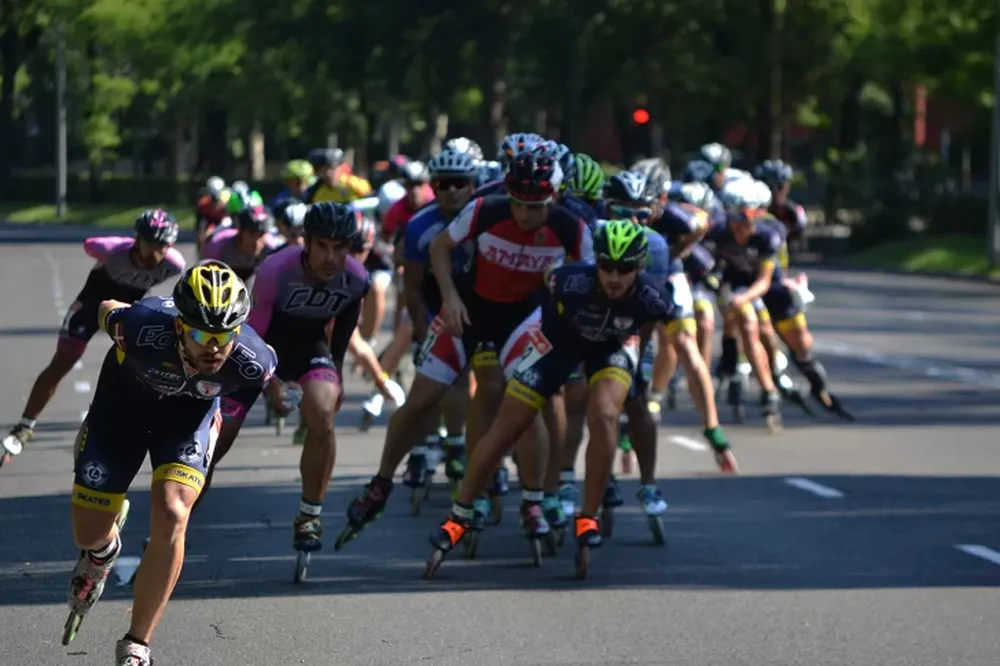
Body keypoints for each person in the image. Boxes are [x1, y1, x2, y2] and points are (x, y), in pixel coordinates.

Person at [339, 146, 592, 546]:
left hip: (523, 319)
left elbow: (592, 277)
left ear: (556, 197)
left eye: (537, 206)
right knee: (423, 398)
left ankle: (534, 498)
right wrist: (451, 298)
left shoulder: (571, 228)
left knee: (528, 404)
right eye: (519, 204)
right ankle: (381, 481)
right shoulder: (486, 210)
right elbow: (440, 247)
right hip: (471, 310)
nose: (526, 215)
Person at [422, 220, 691, 579]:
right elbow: (542, 318)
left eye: (624, 269)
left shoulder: (655, 298)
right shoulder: (567, 281)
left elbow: (643, 337)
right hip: (557, 343)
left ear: (640, 267)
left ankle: (587, 519)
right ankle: (459, 515)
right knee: (509, 424)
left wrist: (636, 375)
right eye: (606, 266)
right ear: (596, 263)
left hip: (611, 347)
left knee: (605, 415)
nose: (614, 276)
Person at [64, 260, 276, 666]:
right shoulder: (141, 325)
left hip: (185, 422)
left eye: (223, 335)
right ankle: (101, 553)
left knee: (174, 512)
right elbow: (106, 306)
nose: (213, 347)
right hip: (121, 409)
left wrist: (223, 415)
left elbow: (259, 384)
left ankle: (137, 644)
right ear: (180, 326)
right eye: (200, 334)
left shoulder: (253, 360)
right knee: (87, 532)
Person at [194, 202, 370, 560]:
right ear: (306, 242)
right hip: (257, 347)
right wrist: (270, 383)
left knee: (322, 414)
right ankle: (179, 518)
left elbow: (343, 331)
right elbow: (252, 338)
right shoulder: (276, 269)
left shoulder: (357, 278)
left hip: (308, 347)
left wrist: (335, 374)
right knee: (217, 439)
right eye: (322, 246)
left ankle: (310, 516)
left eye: (340, 248)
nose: (331, 257)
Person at [1, 211, 184, 467]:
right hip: (89, 307)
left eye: (162, 247)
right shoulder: (111, 250)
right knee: (63, 361)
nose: (154, 253)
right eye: (149, 244)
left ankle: (136, 425)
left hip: (124, 311)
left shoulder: (174, 264)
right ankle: (25, 425)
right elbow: (89, 244)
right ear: (137, 239)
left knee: (139, 365)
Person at [201, 204, 281, 285]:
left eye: (261, 235)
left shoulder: (273, 250)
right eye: (252, 233)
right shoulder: (217, 247)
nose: (257, 241)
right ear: (240, 230)